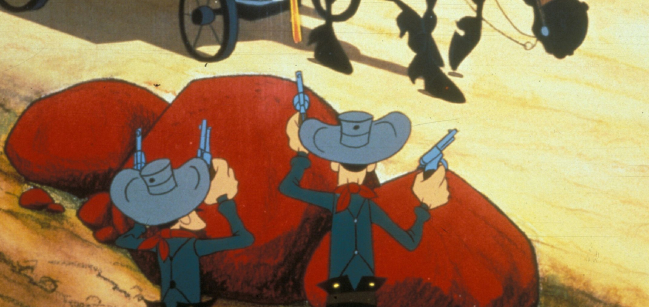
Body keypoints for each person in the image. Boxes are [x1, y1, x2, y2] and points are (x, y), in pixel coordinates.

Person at [280, 111, 450, 306]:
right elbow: (409, 241)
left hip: (359, 291)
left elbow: (288, 188)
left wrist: (302, 155)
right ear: (371, 166)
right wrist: (423, 207)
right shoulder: (352, 204)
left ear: (335, 165)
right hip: (348, 291)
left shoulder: (353, 204)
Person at [111, 156, 253, 307]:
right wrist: (225, 204)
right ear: (185, 220)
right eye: (195, 211)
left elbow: (122, 240)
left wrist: (141, 226)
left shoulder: (157, 244)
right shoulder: (192, 246)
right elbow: (245, 239)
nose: (200, 216)